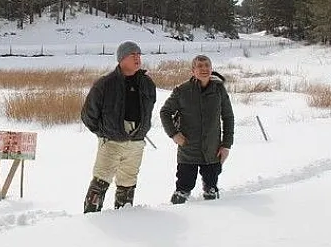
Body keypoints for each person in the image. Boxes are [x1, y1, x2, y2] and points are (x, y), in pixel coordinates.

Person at [81, 41, 157, 213]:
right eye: (133, 55)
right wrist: (104, 133)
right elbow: (88, 114)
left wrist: (142, 129)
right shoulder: (105, 83)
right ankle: (90, 218)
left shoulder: (147, 83)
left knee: (128, 182)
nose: (138, 58)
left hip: (136, 142)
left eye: (139, 54)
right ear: (122, 59)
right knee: (101, 181)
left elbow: (149, 108)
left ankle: (124, 217)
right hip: (111, 141)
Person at [159, 54, 234, 204]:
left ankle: (214, 223)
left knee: (211, 191)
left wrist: (226, 145)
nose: (204, 69)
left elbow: (228, 117)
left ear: (211, 69)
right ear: (193, 71)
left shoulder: (219, 90)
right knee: (182, 192)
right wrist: (174, 134)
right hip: (188, 150)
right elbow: (165, 112)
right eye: (199, 66)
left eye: (207, 65)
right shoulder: (182, 91)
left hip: (213, 151)